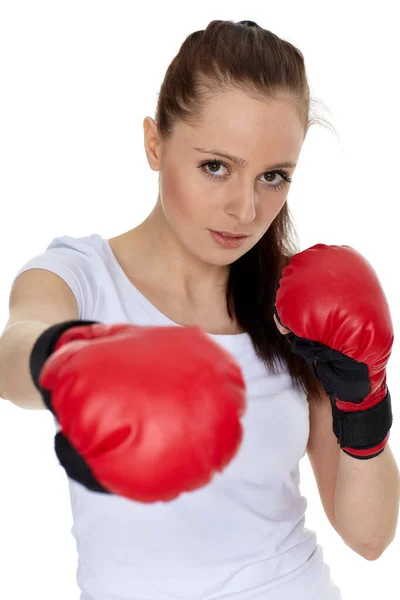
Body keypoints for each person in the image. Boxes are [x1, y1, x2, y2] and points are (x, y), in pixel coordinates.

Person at [0, 19, 355, 600]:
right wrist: (69, 364)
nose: (245, 208)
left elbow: (369, 536)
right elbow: (13, 355)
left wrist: (365, 403)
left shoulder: (297, 300)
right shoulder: (81, 274)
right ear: (154, 143)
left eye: (273, 177)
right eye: (216, 166)